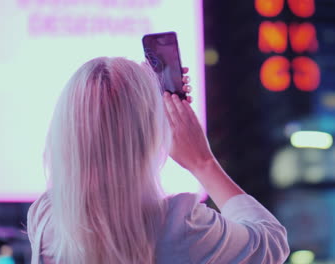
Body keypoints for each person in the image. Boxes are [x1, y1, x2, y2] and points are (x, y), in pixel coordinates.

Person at [27, 57, 290, 264]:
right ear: (150, 133)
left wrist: (142, 93)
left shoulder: (46, 217)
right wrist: (202, 161)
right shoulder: (181, 226)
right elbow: (272, 243)